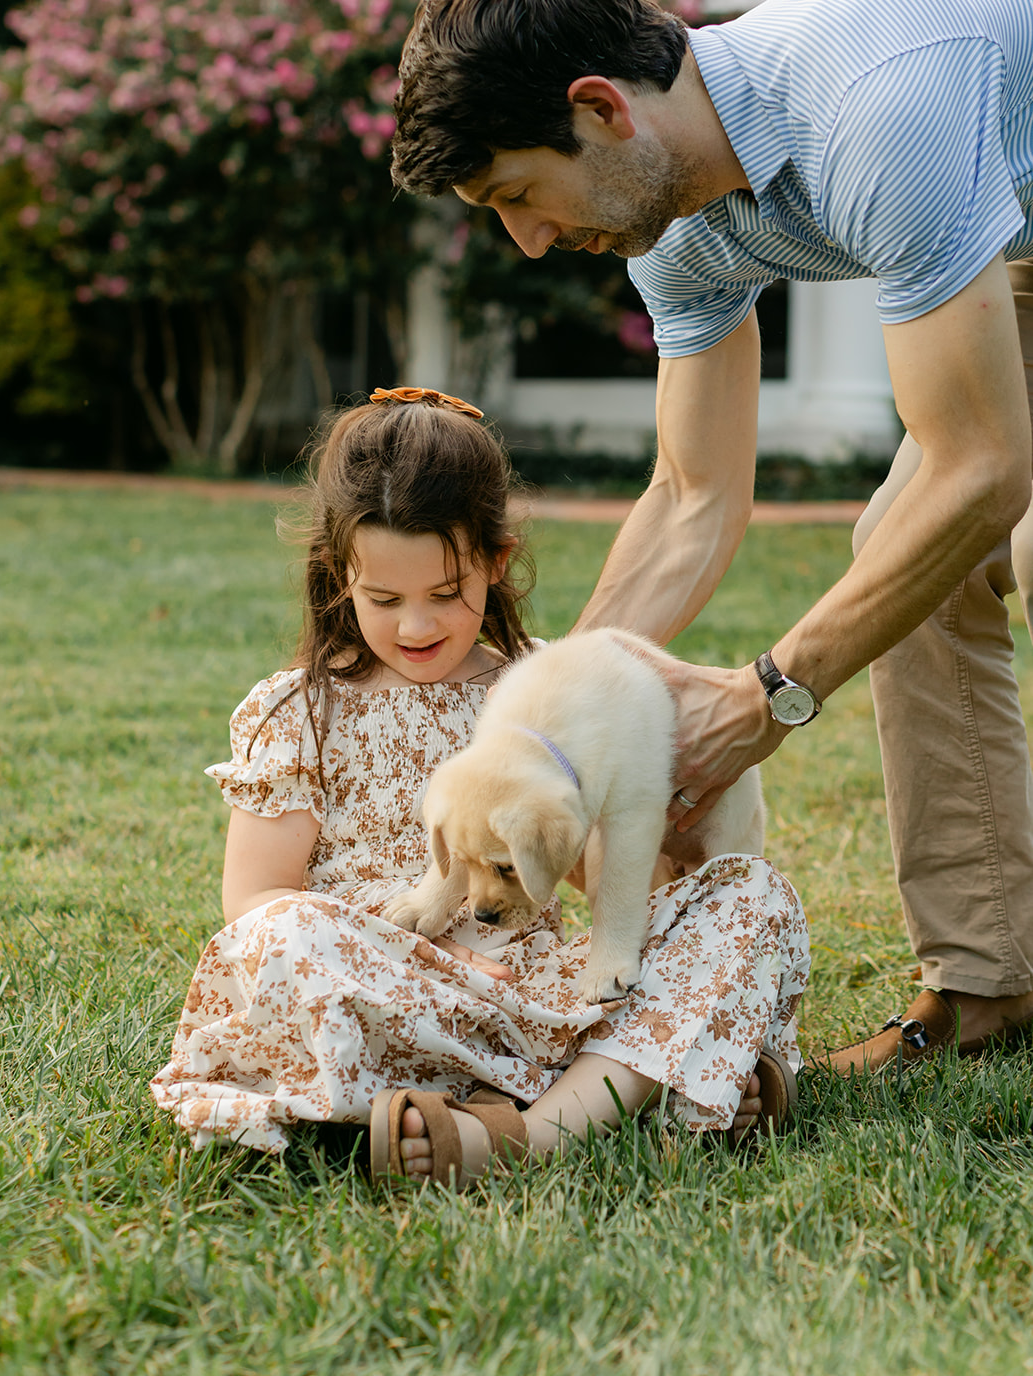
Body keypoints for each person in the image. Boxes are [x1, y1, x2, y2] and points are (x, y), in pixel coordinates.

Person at [390, 0, 1033, 1072]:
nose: (529, 241)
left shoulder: (873, 114)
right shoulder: (674, 228)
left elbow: (984, 466)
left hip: (976, 163)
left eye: (518, 194)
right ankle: (988, 986)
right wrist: (544, 730)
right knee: (907, 547)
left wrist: (764, 695)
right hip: (1017, 205)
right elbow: (693, 498)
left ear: (600, 109)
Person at [149, 388, 809, 1184]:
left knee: (749, 895)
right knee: (279, 939)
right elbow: (253, 899)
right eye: (383, 600)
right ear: (339, 574)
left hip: (531, 998)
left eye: (444, 595)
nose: (416, 627)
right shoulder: (298, 712)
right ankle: (653, 1077)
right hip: (378, 991)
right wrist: (413, 959)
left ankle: (533, 1129)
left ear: (496, 562)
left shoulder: (540, 691)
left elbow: (595, 865)